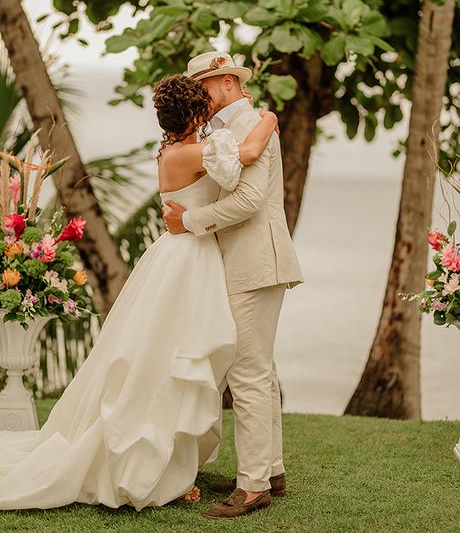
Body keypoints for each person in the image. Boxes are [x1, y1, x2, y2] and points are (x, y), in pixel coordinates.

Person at [0, 74, 278, 511]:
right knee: (169, 362)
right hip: (189, 257)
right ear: (194, 112)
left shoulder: (171, 149)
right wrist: (268, 117)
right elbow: (248, 152)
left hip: (181, 256)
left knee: (165, 359)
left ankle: (180, 463)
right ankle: (160, 465)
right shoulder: (193, 152)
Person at [163, 51, 303, 519]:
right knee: (259, 371)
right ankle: (271, 471)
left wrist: (191, 221)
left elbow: (247, 199)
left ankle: (253, 486)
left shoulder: (248, 125)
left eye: (203, 84)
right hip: (244, 263)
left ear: (224, 81)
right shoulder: (227, 130)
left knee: (247, 374)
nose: (199, 94)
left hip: (255, 262)